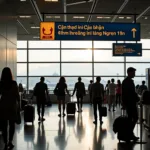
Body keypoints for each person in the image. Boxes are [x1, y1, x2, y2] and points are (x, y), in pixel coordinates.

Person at [0, 67, 20, 150]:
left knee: (4, 126)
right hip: (12, 106)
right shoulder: (14, 83)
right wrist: (19, 106)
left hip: (3, 105)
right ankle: (10, 141)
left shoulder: (0, 84)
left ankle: (5, 142)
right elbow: (17, 96)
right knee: (12, 125)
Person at [122, 67, 139, 141]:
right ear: (129, 73)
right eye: (133, 72)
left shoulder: (129, 81)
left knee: (132, 118)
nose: (134, 74)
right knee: (134, 118)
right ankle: (129, 133)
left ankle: (129, 134)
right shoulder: (127, 81)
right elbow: (126, 93)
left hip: (131, 102)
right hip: (130, 103)